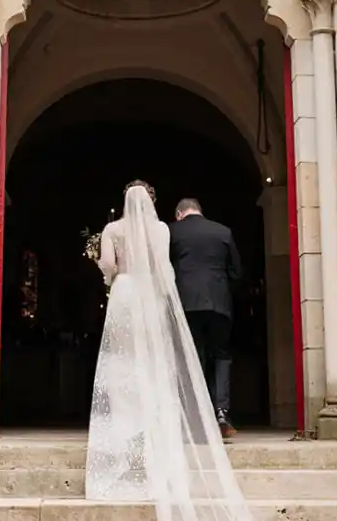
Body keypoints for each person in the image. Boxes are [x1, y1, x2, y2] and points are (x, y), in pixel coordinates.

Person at [85, 182, 252, 521]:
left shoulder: (112, 228)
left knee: (120, 361)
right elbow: (165, 267)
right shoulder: (162, 229)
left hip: (124, 295)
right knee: (155, 362)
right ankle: (157, 422)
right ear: (150, 202)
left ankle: (125, 424)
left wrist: (112, 279)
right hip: (151, 296)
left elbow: (106, 264)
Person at [169, 198, 242, 440]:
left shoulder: (172, 231)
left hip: (185, 303)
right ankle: (221, 412)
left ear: (180, 214)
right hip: (218, 303)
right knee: (221, 355)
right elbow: (236, 272)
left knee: (191, 356)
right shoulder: (223, 231)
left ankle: (194, 415)